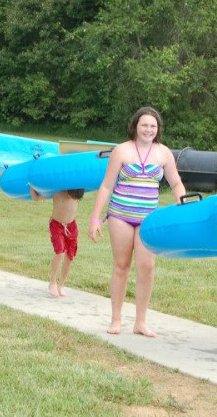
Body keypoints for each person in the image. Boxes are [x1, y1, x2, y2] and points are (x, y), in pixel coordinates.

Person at [88, 106, 186, 337]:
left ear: (158, 129)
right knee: (121, 266)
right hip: (120, 216)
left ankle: (140, 322)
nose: (148, 129)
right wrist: (95, 219)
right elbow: (106, 185)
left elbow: (176, 183)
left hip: (148, 219)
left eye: (153, 126)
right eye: (144, 125)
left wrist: (184, 207)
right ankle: (116, 320)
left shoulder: (164, 153)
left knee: (147, 267)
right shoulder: (121, 151)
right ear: (135, 126)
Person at [31, 187, 85, 298]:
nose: (74, 199)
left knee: (70, 257)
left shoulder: (78, 190)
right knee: (60, 252)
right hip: (57, 225)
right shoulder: (57, 189)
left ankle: (61, 285)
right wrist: (31, 185)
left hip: (72, 226)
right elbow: (36, 198)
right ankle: (52, 282)